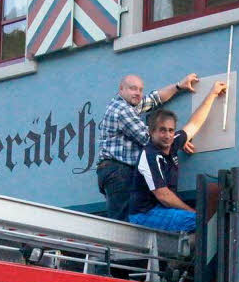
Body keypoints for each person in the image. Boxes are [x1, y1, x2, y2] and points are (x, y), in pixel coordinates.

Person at [97, 73, 200, 221]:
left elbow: (153, 99)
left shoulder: (129, 105)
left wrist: (179, 86)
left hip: (118, 172)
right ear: (121, 89)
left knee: (129, 221)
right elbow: (148, 138)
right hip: (119, 171)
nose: (138, 93)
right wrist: (175, 140)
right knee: (123, 225)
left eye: (140, 89)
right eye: (133, 89)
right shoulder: (121, 110)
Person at [128, 82, 227, 233]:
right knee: (198, 220)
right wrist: (193, 212)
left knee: (203, 220)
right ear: (151, 132)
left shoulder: (173, 142)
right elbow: (163, 195)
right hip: (144, 215)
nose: (167, 135)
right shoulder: (149, 155)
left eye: (170, 130)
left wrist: (212, 93)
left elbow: (194, 124)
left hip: (164, 210)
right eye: (162, 130)